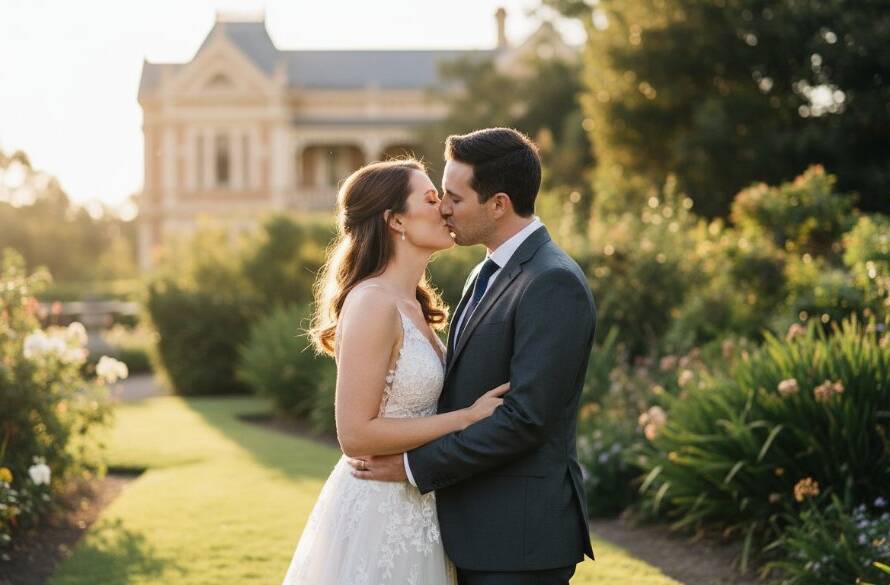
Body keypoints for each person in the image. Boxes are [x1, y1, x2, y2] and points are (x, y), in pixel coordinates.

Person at [348, 128, 597, 585]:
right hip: (467, 530)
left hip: (518, 540)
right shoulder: (484, 273)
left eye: (453, 198)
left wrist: (409, 467)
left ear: (498, 203)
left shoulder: (551, 281)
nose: (443, 207)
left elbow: (526, 419)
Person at [280, 157, 508, 584]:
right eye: (430, 197)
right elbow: (355, 434)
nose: (444, 207)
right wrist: (466, 418)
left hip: (419, 503)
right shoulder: (372, 303)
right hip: (379, 510)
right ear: (395, 221)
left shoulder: (414, 306)